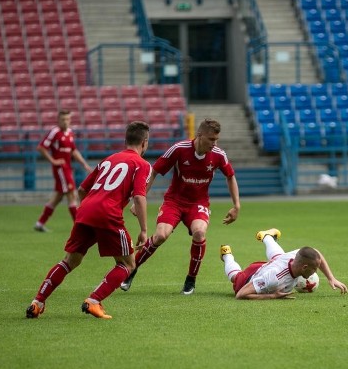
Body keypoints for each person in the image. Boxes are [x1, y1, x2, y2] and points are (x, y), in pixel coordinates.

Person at [25, 121, 152, 320]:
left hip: (85, 210)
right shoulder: (141, 164)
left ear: (125, 139)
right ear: (144, 143)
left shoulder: (108, 159)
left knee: (70, 260)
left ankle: (37, 302)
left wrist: (92, 209)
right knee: (128, 264)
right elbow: (139, 197)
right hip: (108, 213)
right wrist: (144, 229)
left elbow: (82, 189)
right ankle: (94, 301)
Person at [120, 118, 240, 295]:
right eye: (211, 139)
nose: (215, 144)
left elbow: (230, 176)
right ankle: (132, 269)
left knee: (199, 232)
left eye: (217, 140)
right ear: (199, 135)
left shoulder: (218, 155)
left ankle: (191, 279)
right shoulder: (179, 149)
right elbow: (154, 171)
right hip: (174, 202)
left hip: (198, 203)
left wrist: (236, 205)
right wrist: (140, 198)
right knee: (161, 235)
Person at [219, 228, 348, 300]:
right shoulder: (274, 278)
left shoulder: (297, 256)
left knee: (280, 257)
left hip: (269, 266)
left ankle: (267, 236)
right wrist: (272, 296)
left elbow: (316, 253)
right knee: (235, 277)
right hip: (248, 278)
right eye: (314, 269)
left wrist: (331, 278)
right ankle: (226, 254)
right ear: (304, 267)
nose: (316, 272)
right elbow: (241, 295)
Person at [33, 109, 93, 232]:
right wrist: (53, 161)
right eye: (62, 119)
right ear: (58, 120)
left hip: (67, 168)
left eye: (67, 119)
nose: (65, 122)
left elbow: (73, 151)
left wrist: (84, 164)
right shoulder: (55, 132)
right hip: (61, 169)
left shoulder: (70, 132)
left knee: (58, 197)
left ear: (70, 120)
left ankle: (40, 223)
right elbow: (41, 147)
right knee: (72, 195)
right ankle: (79, 226)